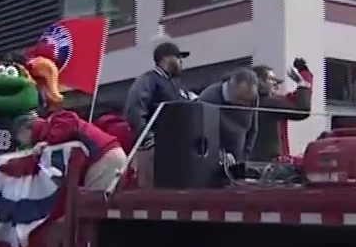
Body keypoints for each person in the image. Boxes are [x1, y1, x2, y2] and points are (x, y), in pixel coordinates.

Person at [124, 41, 195, 186]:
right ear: (165, 59)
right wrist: (147, 138)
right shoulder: (148, 80)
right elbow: (134, 108)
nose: (181, 62)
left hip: (178, 150)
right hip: (155, 150)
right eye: (178, 58)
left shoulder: (178, 86)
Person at [29, 109, 128, 190]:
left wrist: (48, 141)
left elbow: (70, 121)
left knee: (93, 205)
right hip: (109, 155)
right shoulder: (54, 131)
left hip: (104, 157)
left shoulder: (56, 120)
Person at [248, 58, 314, 161]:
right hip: (269, 163)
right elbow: (302, 109)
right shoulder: (269, 103)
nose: (275, 84)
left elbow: (294, 100)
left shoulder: (251, 103)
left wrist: (305, 76)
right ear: (259, 81)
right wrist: (302, 83)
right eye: (271, 79)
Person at [197, 67, 262, 164]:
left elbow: (253, 129)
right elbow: (200, 136)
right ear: (231, 87)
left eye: (248, 100)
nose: (244, 104)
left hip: (238, 159)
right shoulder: (208, 98)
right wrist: (218, 155)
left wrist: (244, 157)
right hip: (213, 161)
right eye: (240, 98)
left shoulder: (253, 98)